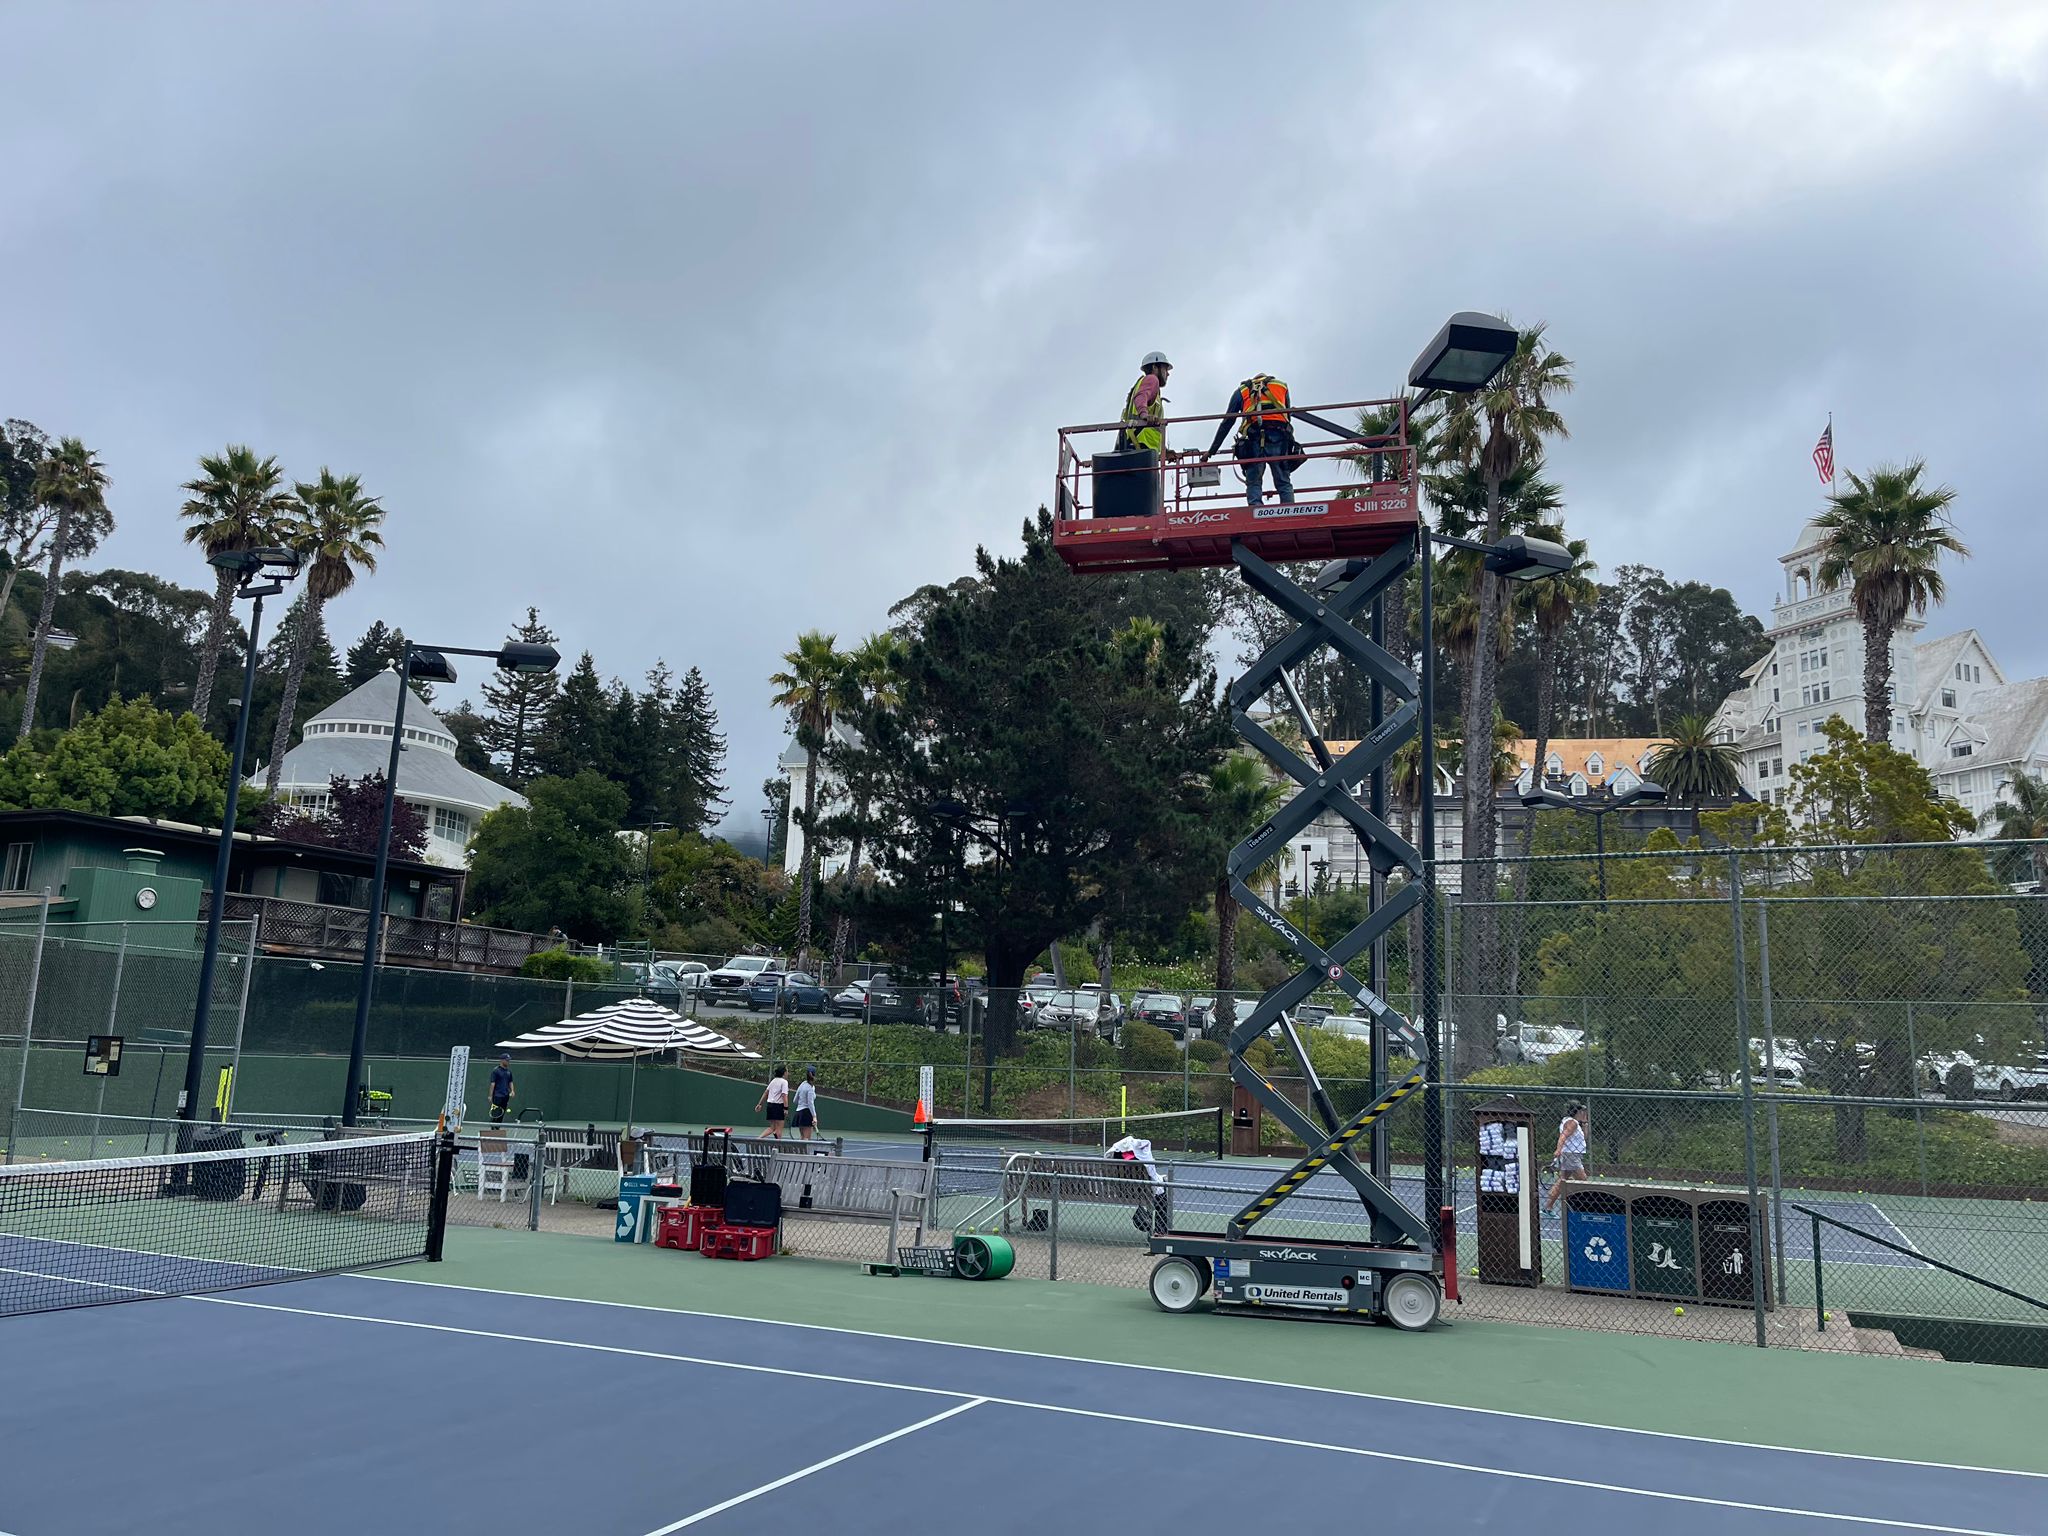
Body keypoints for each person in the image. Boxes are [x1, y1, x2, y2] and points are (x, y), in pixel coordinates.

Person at [1201, 373, 1298, 506]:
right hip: (1279, 436)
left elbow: (1227, 423)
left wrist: (1211, 451)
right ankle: (1290, 511)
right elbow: (1287, 416)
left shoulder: (1242, 391)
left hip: (1254, 438)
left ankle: (1256, 510)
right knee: (1283, 481)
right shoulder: (1280, 385)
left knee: (1254, 481)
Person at [1543, 1102, 1589, 1212]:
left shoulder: (1575, 1123)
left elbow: (1584, 1138)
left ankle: (1548, 1207)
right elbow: (1563, 1136)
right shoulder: (1571, 1123)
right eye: (1581, 1111)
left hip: (1573, 1155)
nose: (1583, 1113)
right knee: (1583, 1181)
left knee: (1562, 1181)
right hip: (1570, 1155)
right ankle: (1581, 1207)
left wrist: (1585, 1123)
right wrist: (1558, 1149)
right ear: (1576, 1111)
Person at [755, 1064, 790, 1139]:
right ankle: (778, 1146)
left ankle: (758, 1139)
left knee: (772, 1128)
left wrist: (759, 1104)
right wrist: (786, 1108)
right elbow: (784, 1095)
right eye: (787, 1071)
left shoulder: (773, 1081)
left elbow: (765, 1092)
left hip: (770, 1106)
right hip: (778, 1106)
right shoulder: (784, 1082)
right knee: (779, 1128)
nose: (788, 1073)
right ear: (784, 1072)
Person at [791, 1067, 820, 1142]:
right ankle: (804, 1153)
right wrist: (814, 1117)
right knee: (806, 1139)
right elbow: (810, 1103)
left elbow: (795, 1100)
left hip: (799, 1113)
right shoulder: (810, 1088)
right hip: (806, 1114)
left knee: (802, 1137)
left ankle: (798, 1153)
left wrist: (801, 1103)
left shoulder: (802, 1084)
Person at [488, 1054, 515, 1124]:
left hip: (505, 1096)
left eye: (509, 1060)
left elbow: (510, 1082)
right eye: (507, 1060)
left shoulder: (509, 1072)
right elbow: (492, 1084)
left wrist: (512, 1091)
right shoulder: (496, 1071)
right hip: (497, 1096)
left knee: (502, 1114)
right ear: (502, 1060)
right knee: (495, 1114)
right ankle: (493, 1129)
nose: (508, 1062)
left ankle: (498, 1129)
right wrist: (490, 1096)